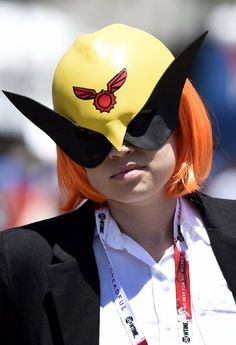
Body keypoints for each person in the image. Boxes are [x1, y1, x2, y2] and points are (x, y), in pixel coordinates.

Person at [1, 24, 236, 345]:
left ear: (181, 120)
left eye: (139, 121)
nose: (119, 148)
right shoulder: (21, 263)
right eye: (90, 135)